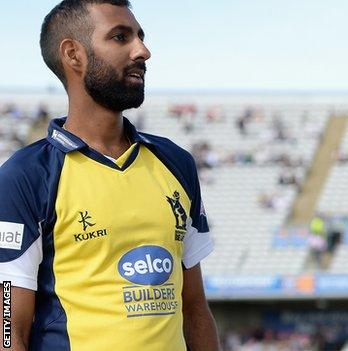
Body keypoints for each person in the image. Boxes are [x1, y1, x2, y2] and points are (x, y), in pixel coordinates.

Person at [0, 1, 219, 350]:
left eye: (141, 37)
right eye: (121, 37)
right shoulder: (26, 176)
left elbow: (194, 309)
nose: (143, 51)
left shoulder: (176, 163)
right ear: (74, 54)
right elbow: (9, 330)